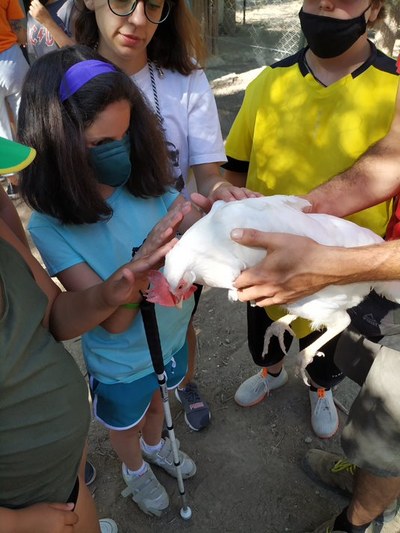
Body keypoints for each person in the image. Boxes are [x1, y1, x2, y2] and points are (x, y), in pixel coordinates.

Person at [18, 44, 203, 518]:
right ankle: (134, 467)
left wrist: (212, 217)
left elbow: (184, 227)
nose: (120, 152)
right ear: (54, 149)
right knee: (127, 419)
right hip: (122, 363)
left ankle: (156, 443)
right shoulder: (50, 227)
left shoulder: (147, 184)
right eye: (101, 145)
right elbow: (112, 325)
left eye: (125, 134)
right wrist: (140, 266)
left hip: (171, 336)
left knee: (160, 403)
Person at [74, 0, 256, 432]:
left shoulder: (186, 78)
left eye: (154, 6)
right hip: (103, 253)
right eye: (122, 1)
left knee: (177, 321)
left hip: (178, 249)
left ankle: (180, 382)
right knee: (119, 333)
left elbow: (207, 176)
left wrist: (220, 193)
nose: (138, 19)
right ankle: (125, 409)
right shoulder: (67, 78)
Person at [229, 84, 400, 532]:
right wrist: (293, 214)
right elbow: (390, 157)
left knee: (394, 436)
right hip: (382, 276)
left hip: (379, 268)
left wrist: (335, 264)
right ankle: (363, 481)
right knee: (377, 421)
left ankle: (357, 523)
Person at [223, 0, 397, 439]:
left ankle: (320, 389)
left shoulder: (394, 87)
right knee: (264, 327)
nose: (326, 1)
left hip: (347, 269)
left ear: (374, 9)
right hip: (266, 257)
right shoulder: (268, 82)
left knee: (329, 348)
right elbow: (234, 170)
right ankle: (271, 372)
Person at [0, 136, 176, 532]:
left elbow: (53, 314)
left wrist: (109, 292)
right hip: (27, 512)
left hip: (63, 482)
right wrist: (16, 522)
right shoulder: (53, 225)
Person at [0, 0, 30, 198]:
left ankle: (14, 182)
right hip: (10, 56)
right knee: (27, 115)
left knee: (0, 127)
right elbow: (18, 22)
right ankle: (35, 172)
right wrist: (22, 39)